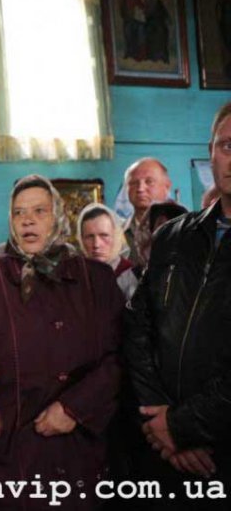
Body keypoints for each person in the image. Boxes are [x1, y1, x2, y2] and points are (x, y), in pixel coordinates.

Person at [0, 175, 125, 510]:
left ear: (58, 217)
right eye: (19, 212)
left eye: (40, 211)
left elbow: (120, 355)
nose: (28, 220)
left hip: (80, 453)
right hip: (10, 457)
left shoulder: (95, 279)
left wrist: (75, 407)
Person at [124, 102, 231, 509]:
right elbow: (137, 327)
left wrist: (180, 426)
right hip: (162, 453)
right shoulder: (173, 236)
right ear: (211, 152)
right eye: (227, 145)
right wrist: (160, 420)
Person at [77, 203, 139, 300]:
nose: (96, 244)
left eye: (104, 235)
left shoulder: (129, 275)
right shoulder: (75, 274)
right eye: (89, 237)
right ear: (81, 239)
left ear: (115, 236)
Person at [123, 157, 172, 268]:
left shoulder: (185, 230)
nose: (140, 189)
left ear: (167, 186)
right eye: (134, 183)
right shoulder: (116, 234)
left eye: (149, 182)